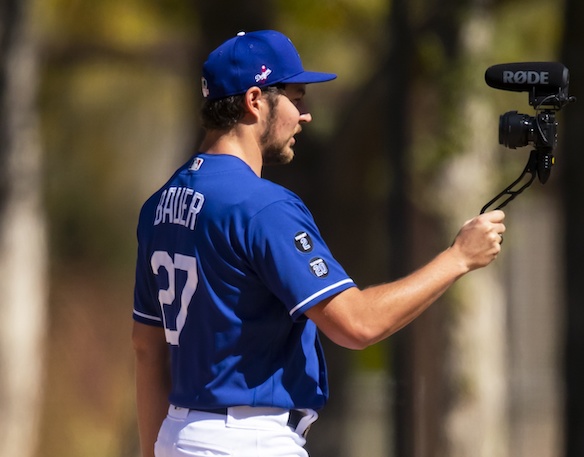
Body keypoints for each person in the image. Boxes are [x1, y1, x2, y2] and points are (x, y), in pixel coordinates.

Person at [131, 29, 506, 457]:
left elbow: (147, 348)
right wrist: (457, 258)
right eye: (297, 96)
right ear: (255, 101)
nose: (306, 114)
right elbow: (357, 325)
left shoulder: (159, 204)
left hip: (178, 436)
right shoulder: (262, 206)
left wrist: (154, 450)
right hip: (248, 441)